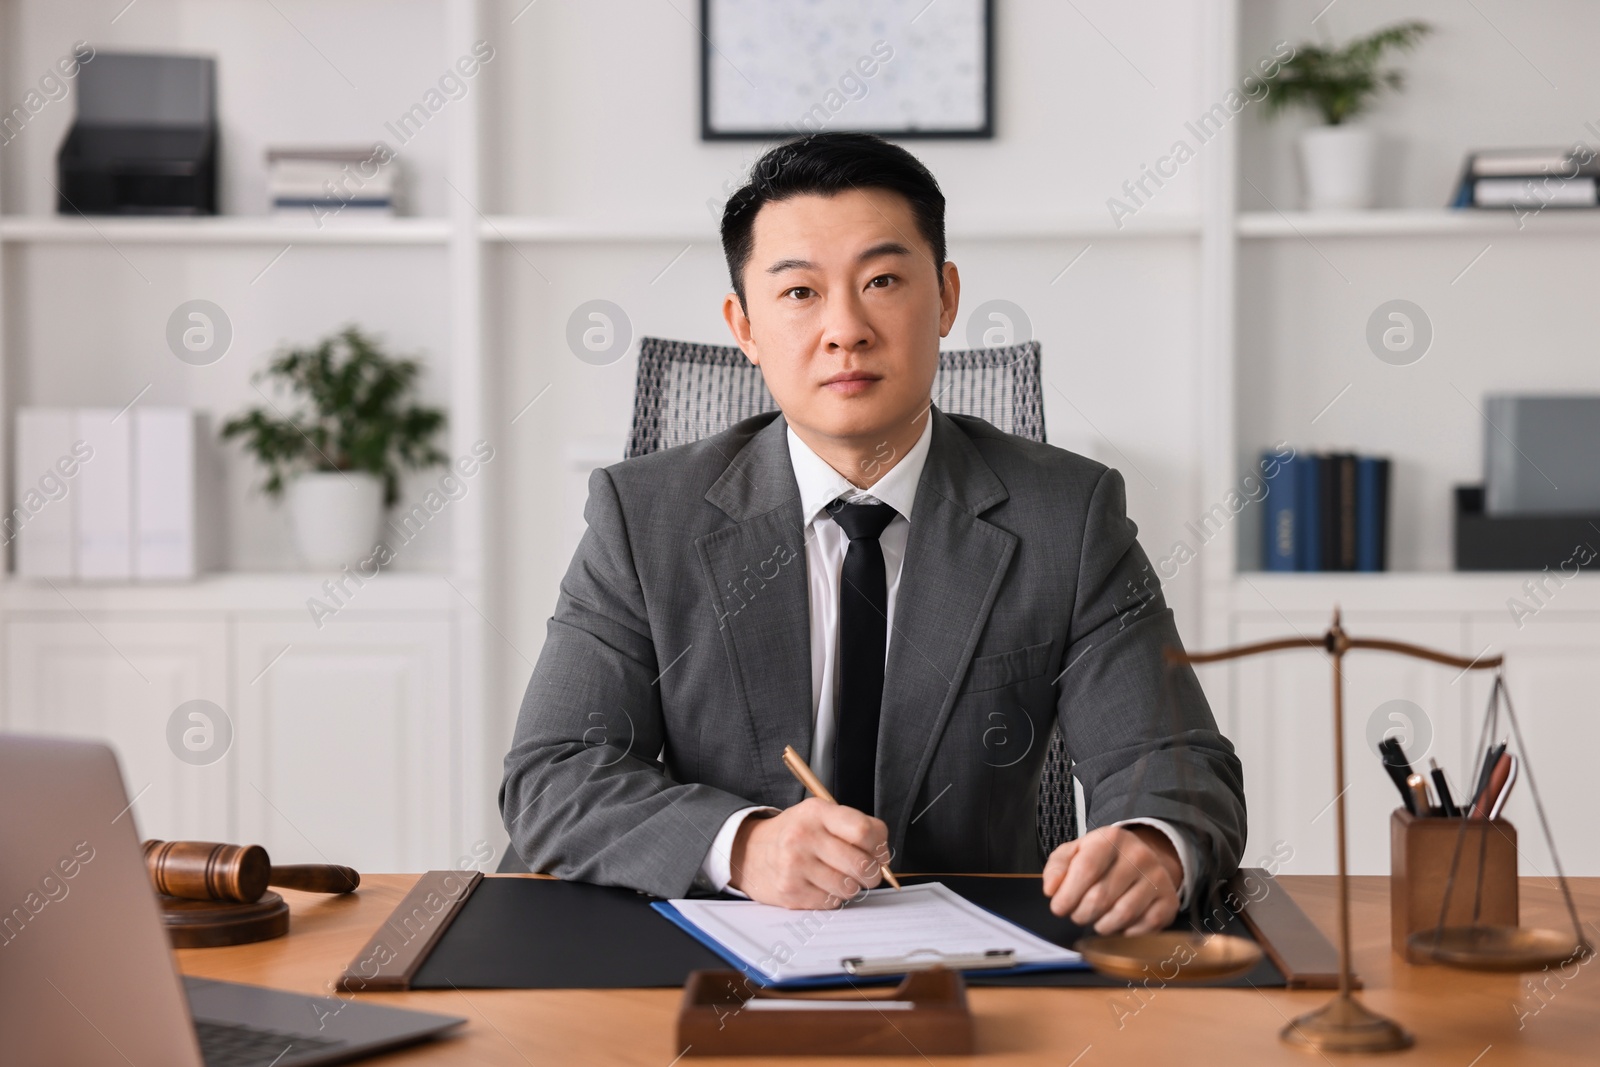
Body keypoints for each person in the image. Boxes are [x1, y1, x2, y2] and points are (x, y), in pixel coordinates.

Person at [501, 132, 1245, 935]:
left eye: (883, 280)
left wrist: (1153, 845)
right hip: (708, 959)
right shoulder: (642, 517)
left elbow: (1169, 761)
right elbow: (555, 773)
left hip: (979, 972)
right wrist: (740, 845)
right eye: (799, 293)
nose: (845, 329)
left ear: (947, 297)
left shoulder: (1068, 512)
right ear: (744, 326)